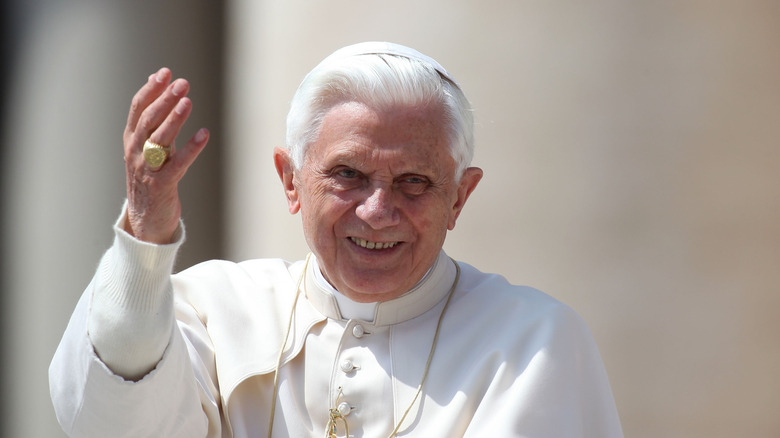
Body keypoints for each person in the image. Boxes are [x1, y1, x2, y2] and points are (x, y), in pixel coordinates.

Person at [49, 42, 623, 438]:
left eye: (414, 182)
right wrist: (146, 239)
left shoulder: (532, 344)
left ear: (460, 198)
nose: (377, 212)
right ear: (290, 180)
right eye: (348, 174)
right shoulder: (209, 309)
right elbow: (110, 423)